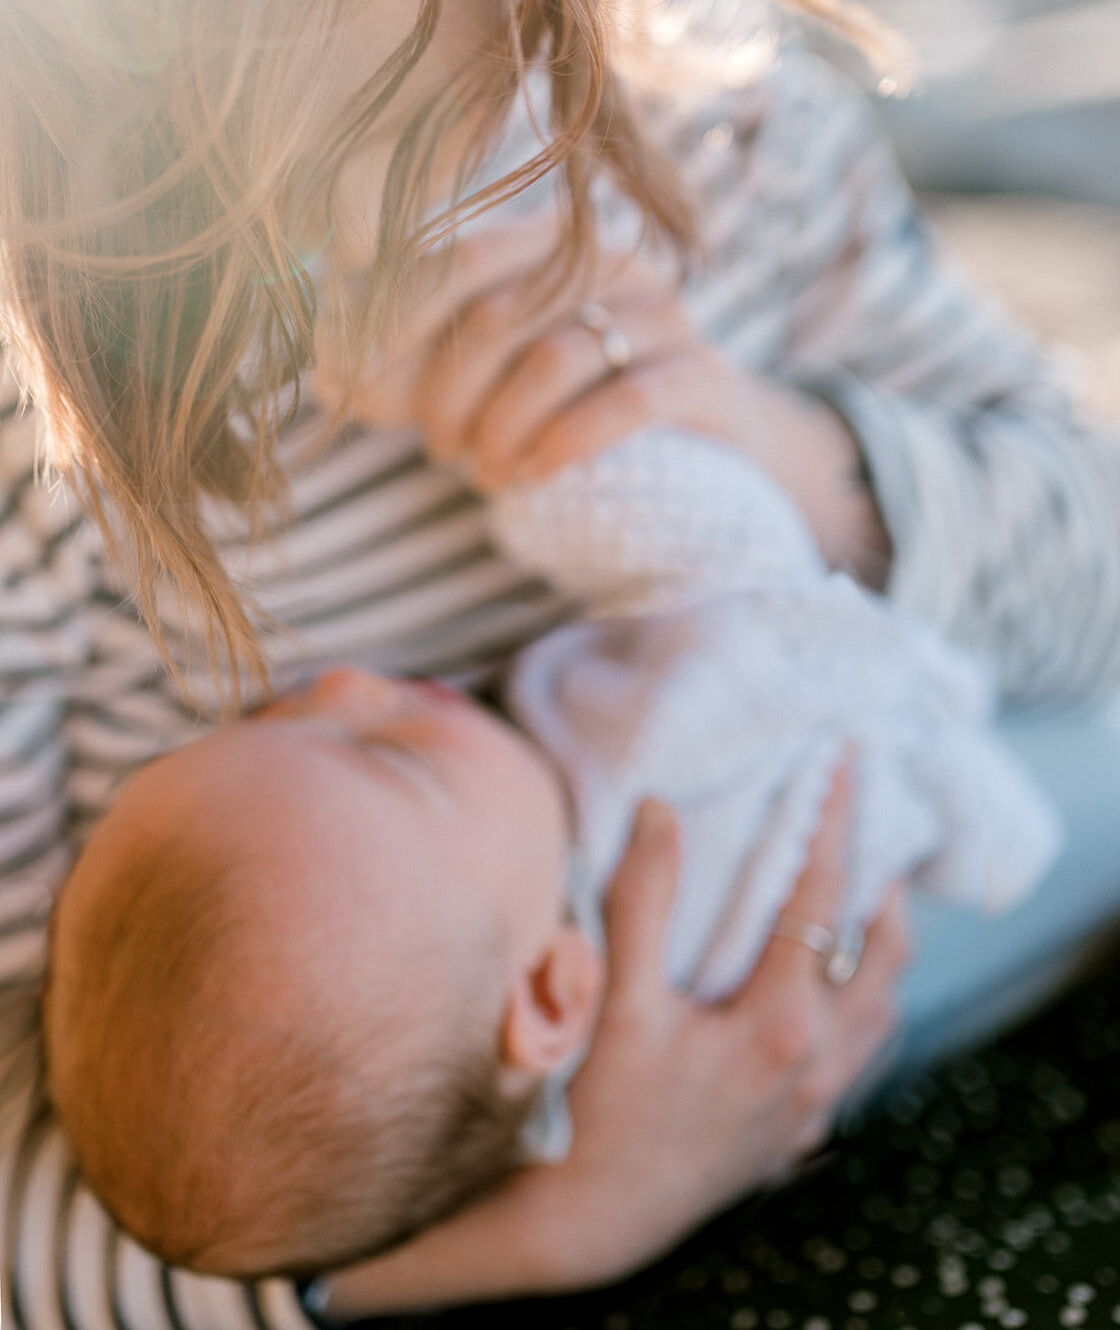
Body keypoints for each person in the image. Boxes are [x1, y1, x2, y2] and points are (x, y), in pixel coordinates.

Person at [4, 0, 1120, 1326]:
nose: (471, 193)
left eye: (529, 53)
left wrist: (775, 455)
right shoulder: (52, 487)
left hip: (951, 937)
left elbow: (1099, 571)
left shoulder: (721, 139)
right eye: (326, 157)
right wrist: (569, 1221)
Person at [42, 421, 1062, 1288]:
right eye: (392, 757)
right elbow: (768, 608)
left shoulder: (456, 995)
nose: (347, 681)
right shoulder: (636, 759)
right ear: (548, 995)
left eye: (268, 713)